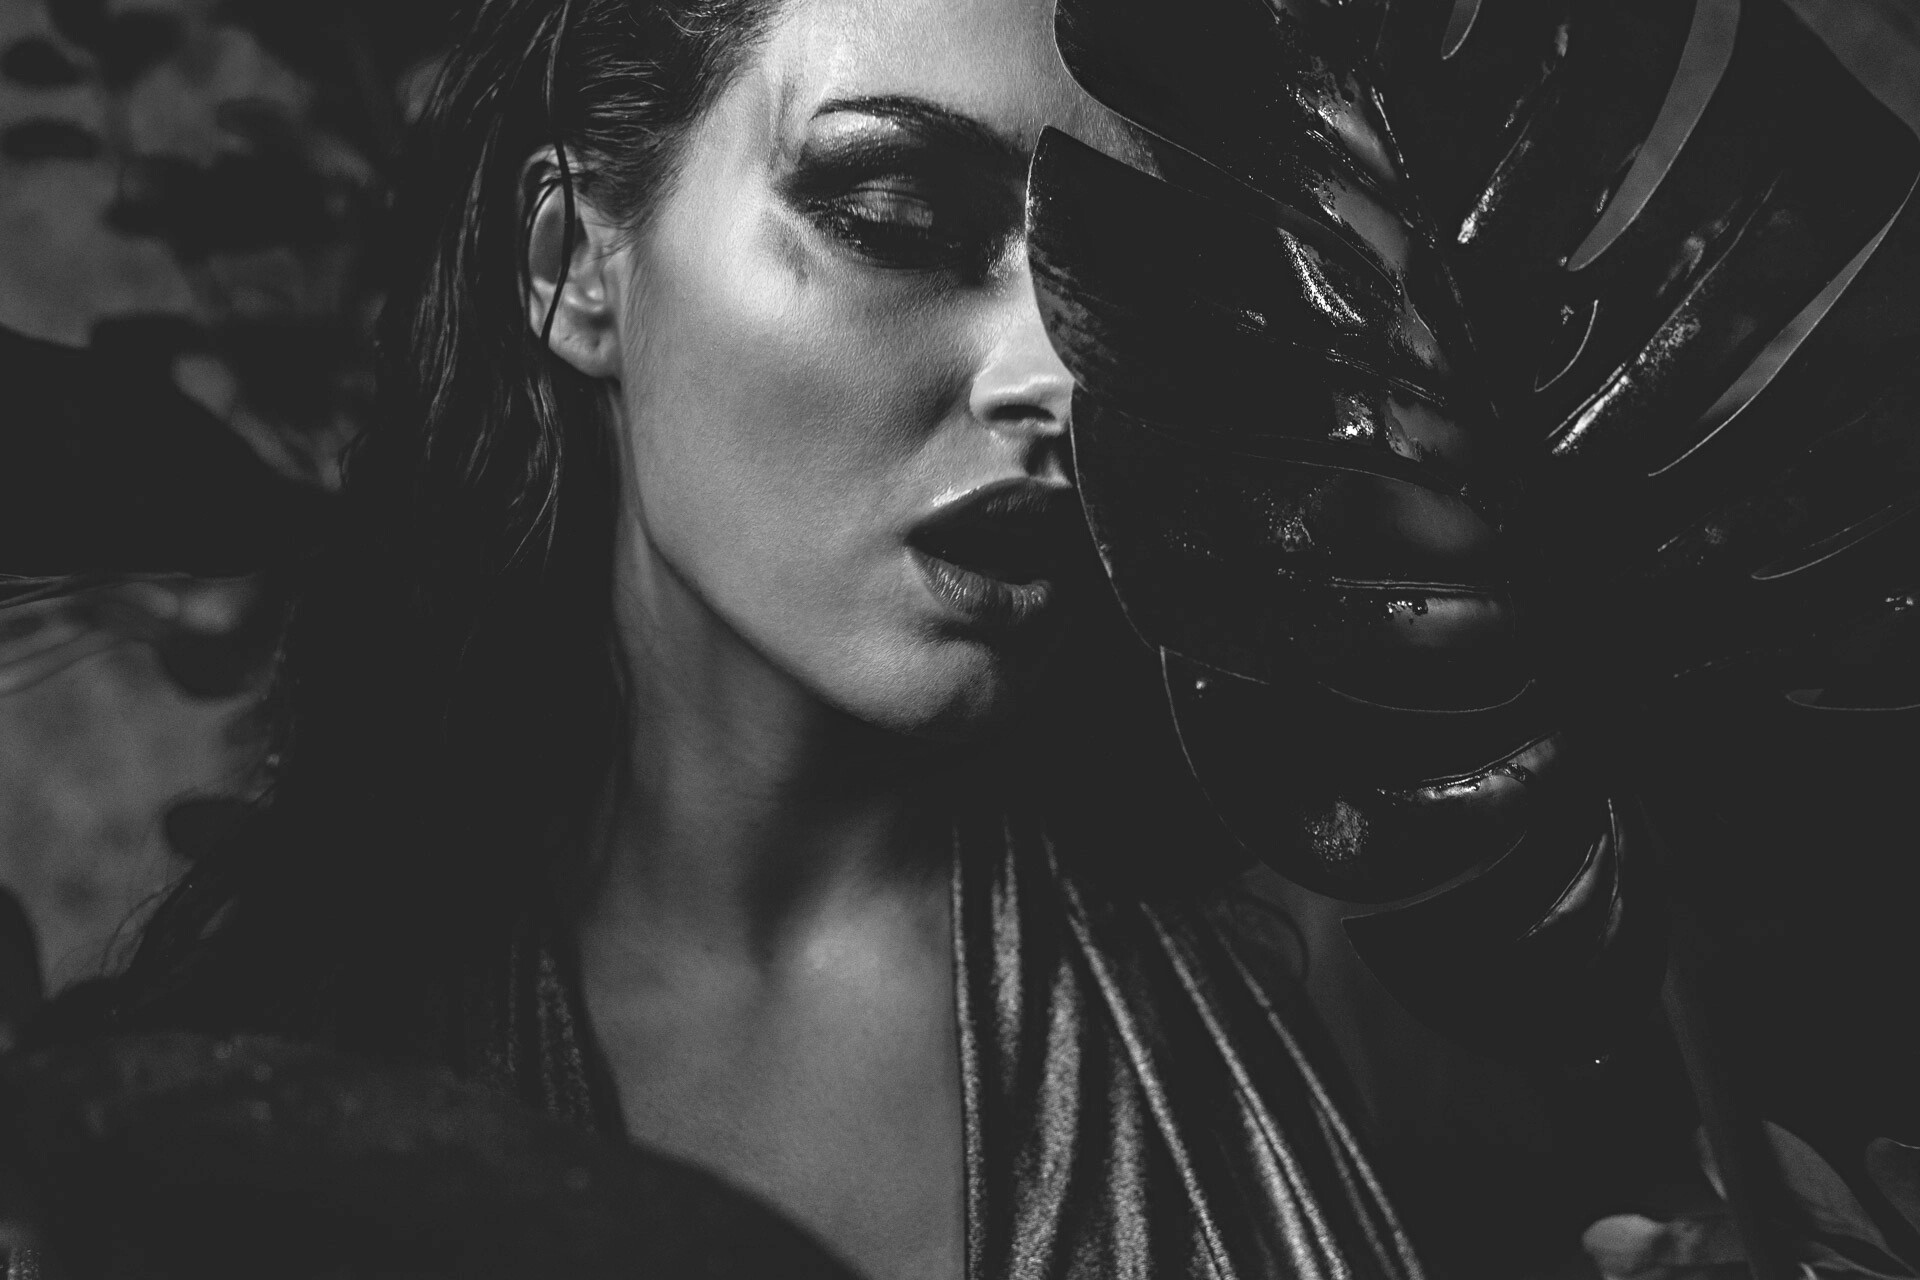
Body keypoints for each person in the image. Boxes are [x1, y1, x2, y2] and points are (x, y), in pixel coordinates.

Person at [29, 0, 1427, 1276]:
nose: (1059, 378)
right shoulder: (253, 1075)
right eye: (896, 214)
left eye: (1117, 284)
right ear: (574, 261)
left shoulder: (1293, 1019)